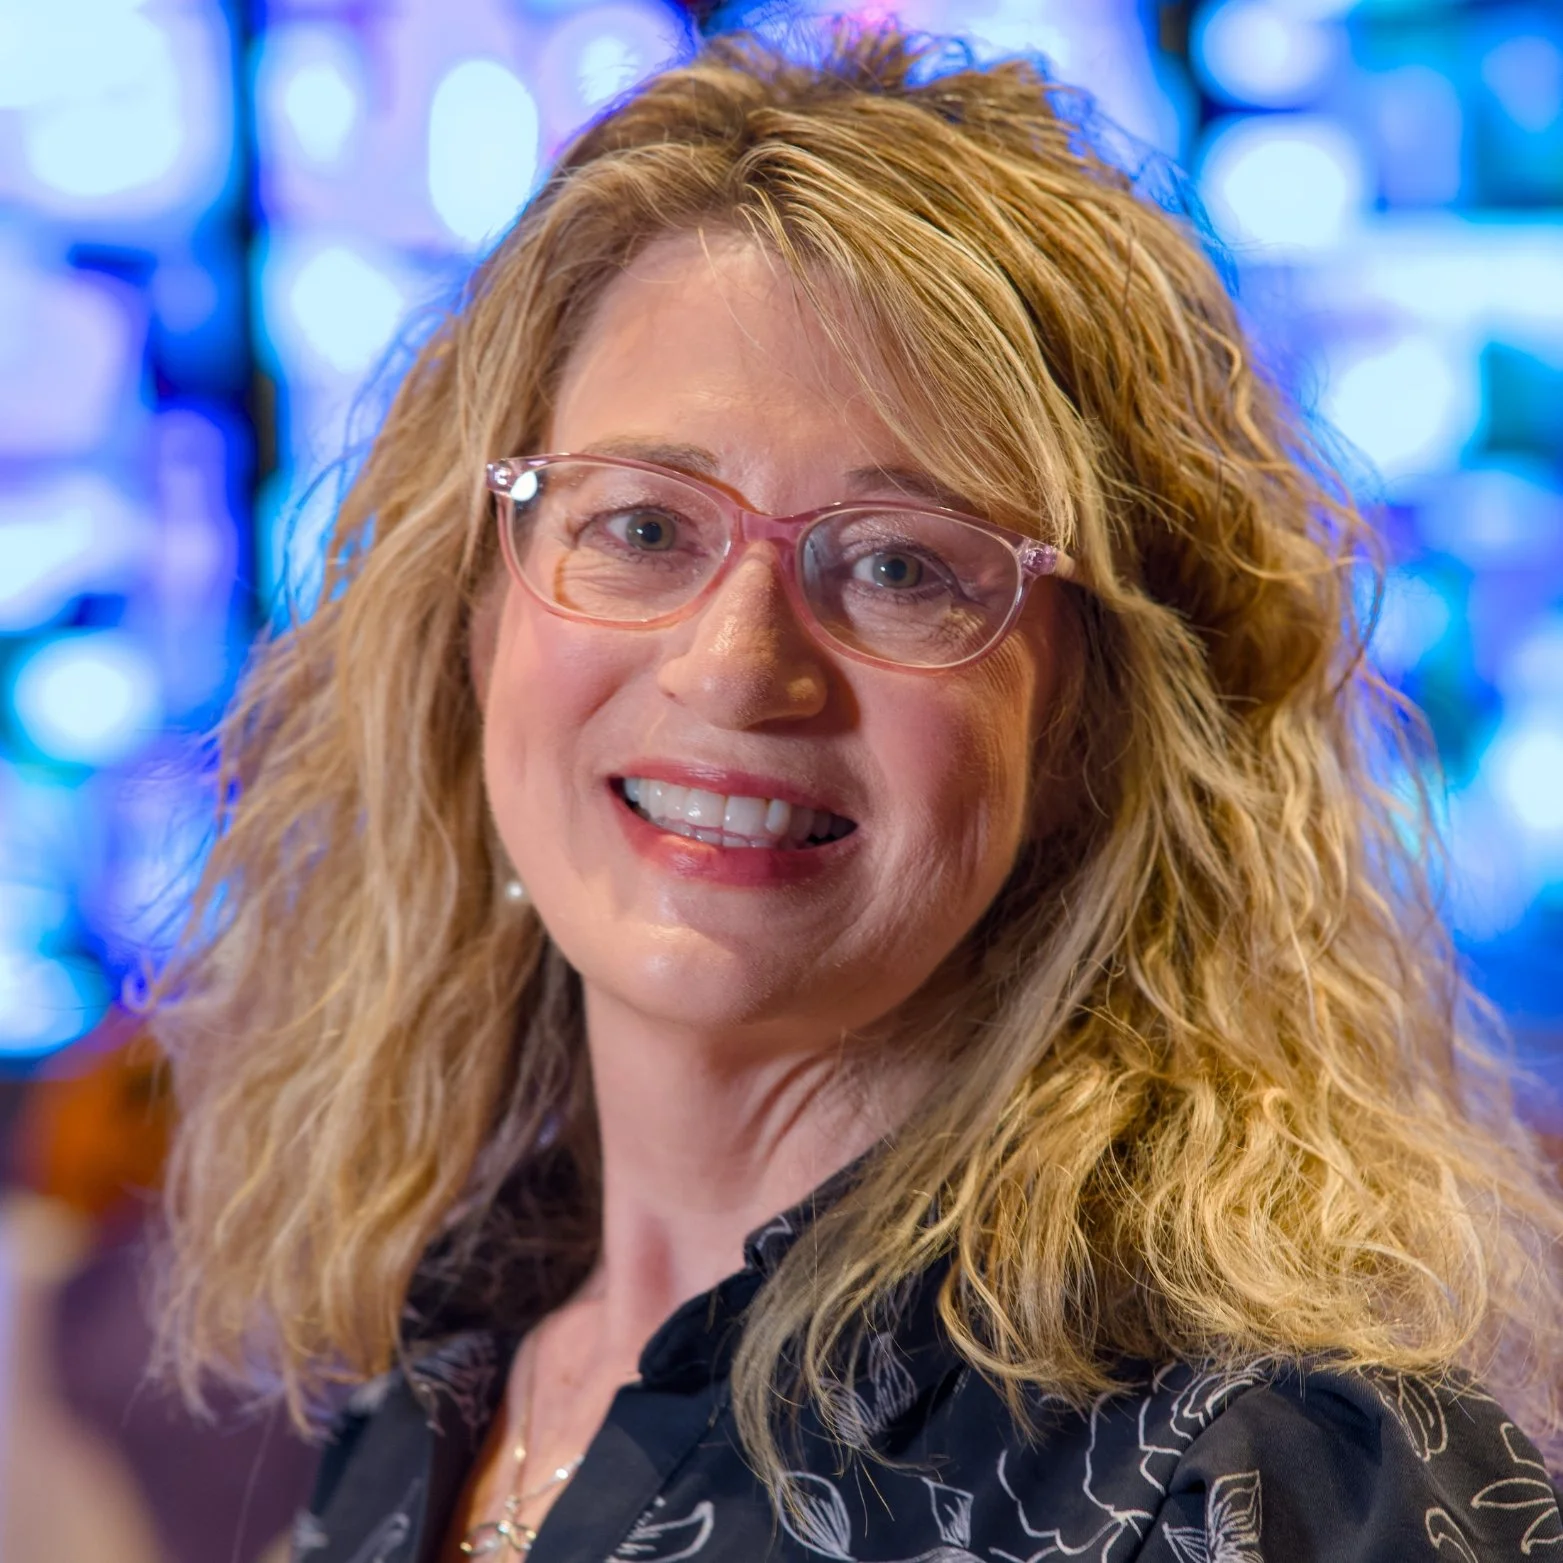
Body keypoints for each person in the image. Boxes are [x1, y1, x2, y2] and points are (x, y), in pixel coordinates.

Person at [148, 25, 1563, 1563]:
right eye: (638, 527)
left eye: (900, 563)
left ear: (1099, 718)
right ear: (472, 619)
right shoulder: (423, 1399)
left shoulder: (1250, 1480)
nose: (737, 666)